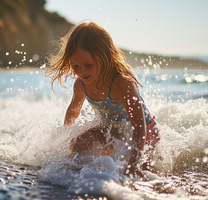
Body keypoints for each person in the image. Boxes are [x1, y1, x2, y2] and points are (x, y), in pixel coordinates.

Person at [46, 21, 160, 177]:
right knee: (79, 143)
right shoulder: (81, 84)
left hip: (145, 133)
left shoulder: (123, 83)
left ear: (104, 57)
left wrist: (133, 164)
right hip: (110, 128)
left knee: (142, 171)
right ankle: (78, 176)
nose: (82, 72)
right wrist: (64, 138)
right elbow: (73, 111)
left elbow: (140, 129)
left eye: (88, 64)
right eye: (76, 66)